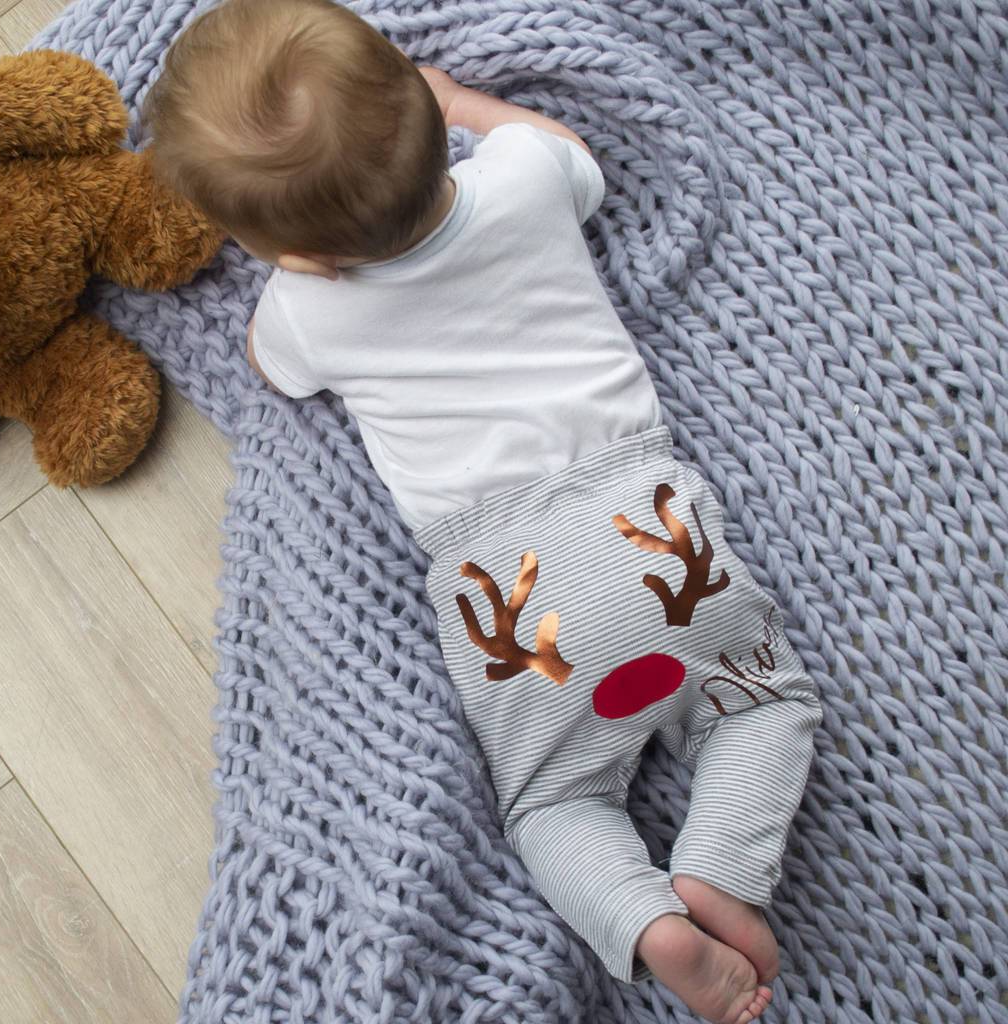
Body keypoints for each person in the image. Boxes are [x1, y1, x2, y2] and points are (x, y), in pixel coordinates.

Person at [145, 3, 823, 1021]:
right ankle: (722, 866)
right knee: (761, 706)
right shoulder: (525, 177)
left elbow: (269, 367)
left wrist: (294, 275)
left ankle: (645, 920)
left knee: (555, 802)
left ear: (295, 251)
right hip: (650, 532)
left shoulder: (307, 309)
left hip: (506, 596)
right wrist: (463, 101)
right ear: (419, 106)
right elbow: (569, 153)